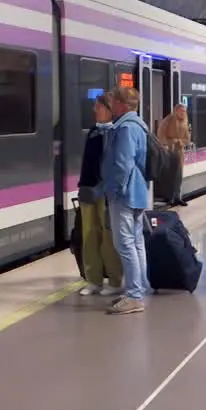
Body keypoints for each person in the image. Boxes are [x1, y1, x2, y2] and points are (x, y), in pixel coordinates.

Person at [101, 86, 150, 315]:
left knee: (125, 244)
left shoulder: (125, 129)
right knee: (136, 242)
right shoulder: (138, 125)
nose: (111, 106)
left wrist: (113, 190)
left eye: (112, 102)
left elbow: (122, 165)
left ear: (121, 104)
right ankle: (138, 288)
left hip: (125, 194)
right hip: (138, 192)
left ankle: (134, 296)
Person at [77, 94, 123, 297]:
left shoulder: (117, 132)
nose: (95, 110)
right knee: (89, 236)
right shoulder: (93, 132)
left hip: (106, 193)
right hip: (88, 190)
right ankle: (93, 280)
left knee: (108, 237)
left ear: (109, 109)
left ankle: (114, 280)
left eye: (98, 106)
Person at [156, 103, 190, 206]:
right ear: (176, 111)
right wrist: (171, 141)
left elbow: (187, 138)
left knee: (179, 175)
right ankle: (169, 197)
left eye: (184, 111)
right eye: (181, 111)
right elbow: (160, 134)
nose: (183, 113)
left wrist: (182, 142)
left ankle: (178, 197)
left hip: (179, 152)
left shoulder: (185, 121)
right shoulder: (168, 120)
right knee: (170, 174)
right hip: (169, 151)